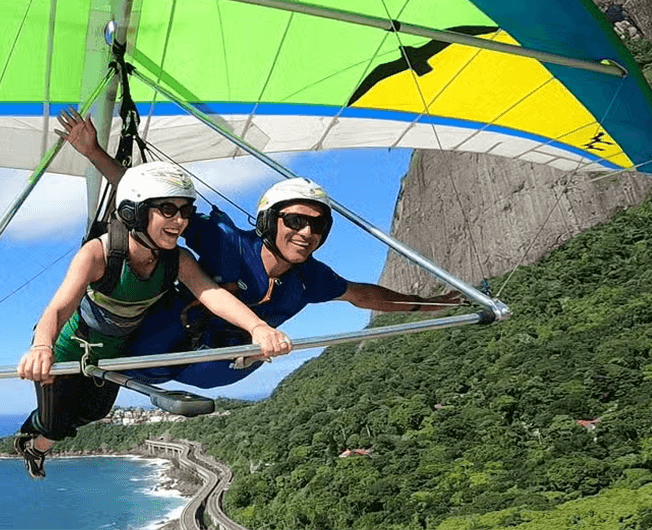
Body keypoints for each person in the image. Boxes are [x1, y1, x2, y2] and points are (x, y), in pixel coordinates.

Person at [55, 108, 465, 390]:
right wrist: (93, 152)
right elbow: (156, 204)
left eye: (318, 225)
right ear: (270, 223)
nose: (307, 232)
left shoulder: (311, 278)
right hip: (160, 352)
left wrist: (427, 306)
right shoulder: (225, 239)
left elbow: (362, 295)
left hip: (221, 369)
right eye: (295, 220)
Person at [13, 161, 292, 479]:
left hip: (113, 350)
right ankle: (31, 443)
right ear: (134, 212)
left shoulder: (177, 259)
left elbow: (211, 294)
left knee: (97, 411)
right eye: (168, 210)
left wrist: (257, 327)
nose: (181, 220)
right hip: (68, 346)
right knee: (54, 423)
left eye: (186, 210)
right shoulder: (99, 254)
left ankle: (42, 442)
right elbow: (58, 308)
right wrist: (41, 347)